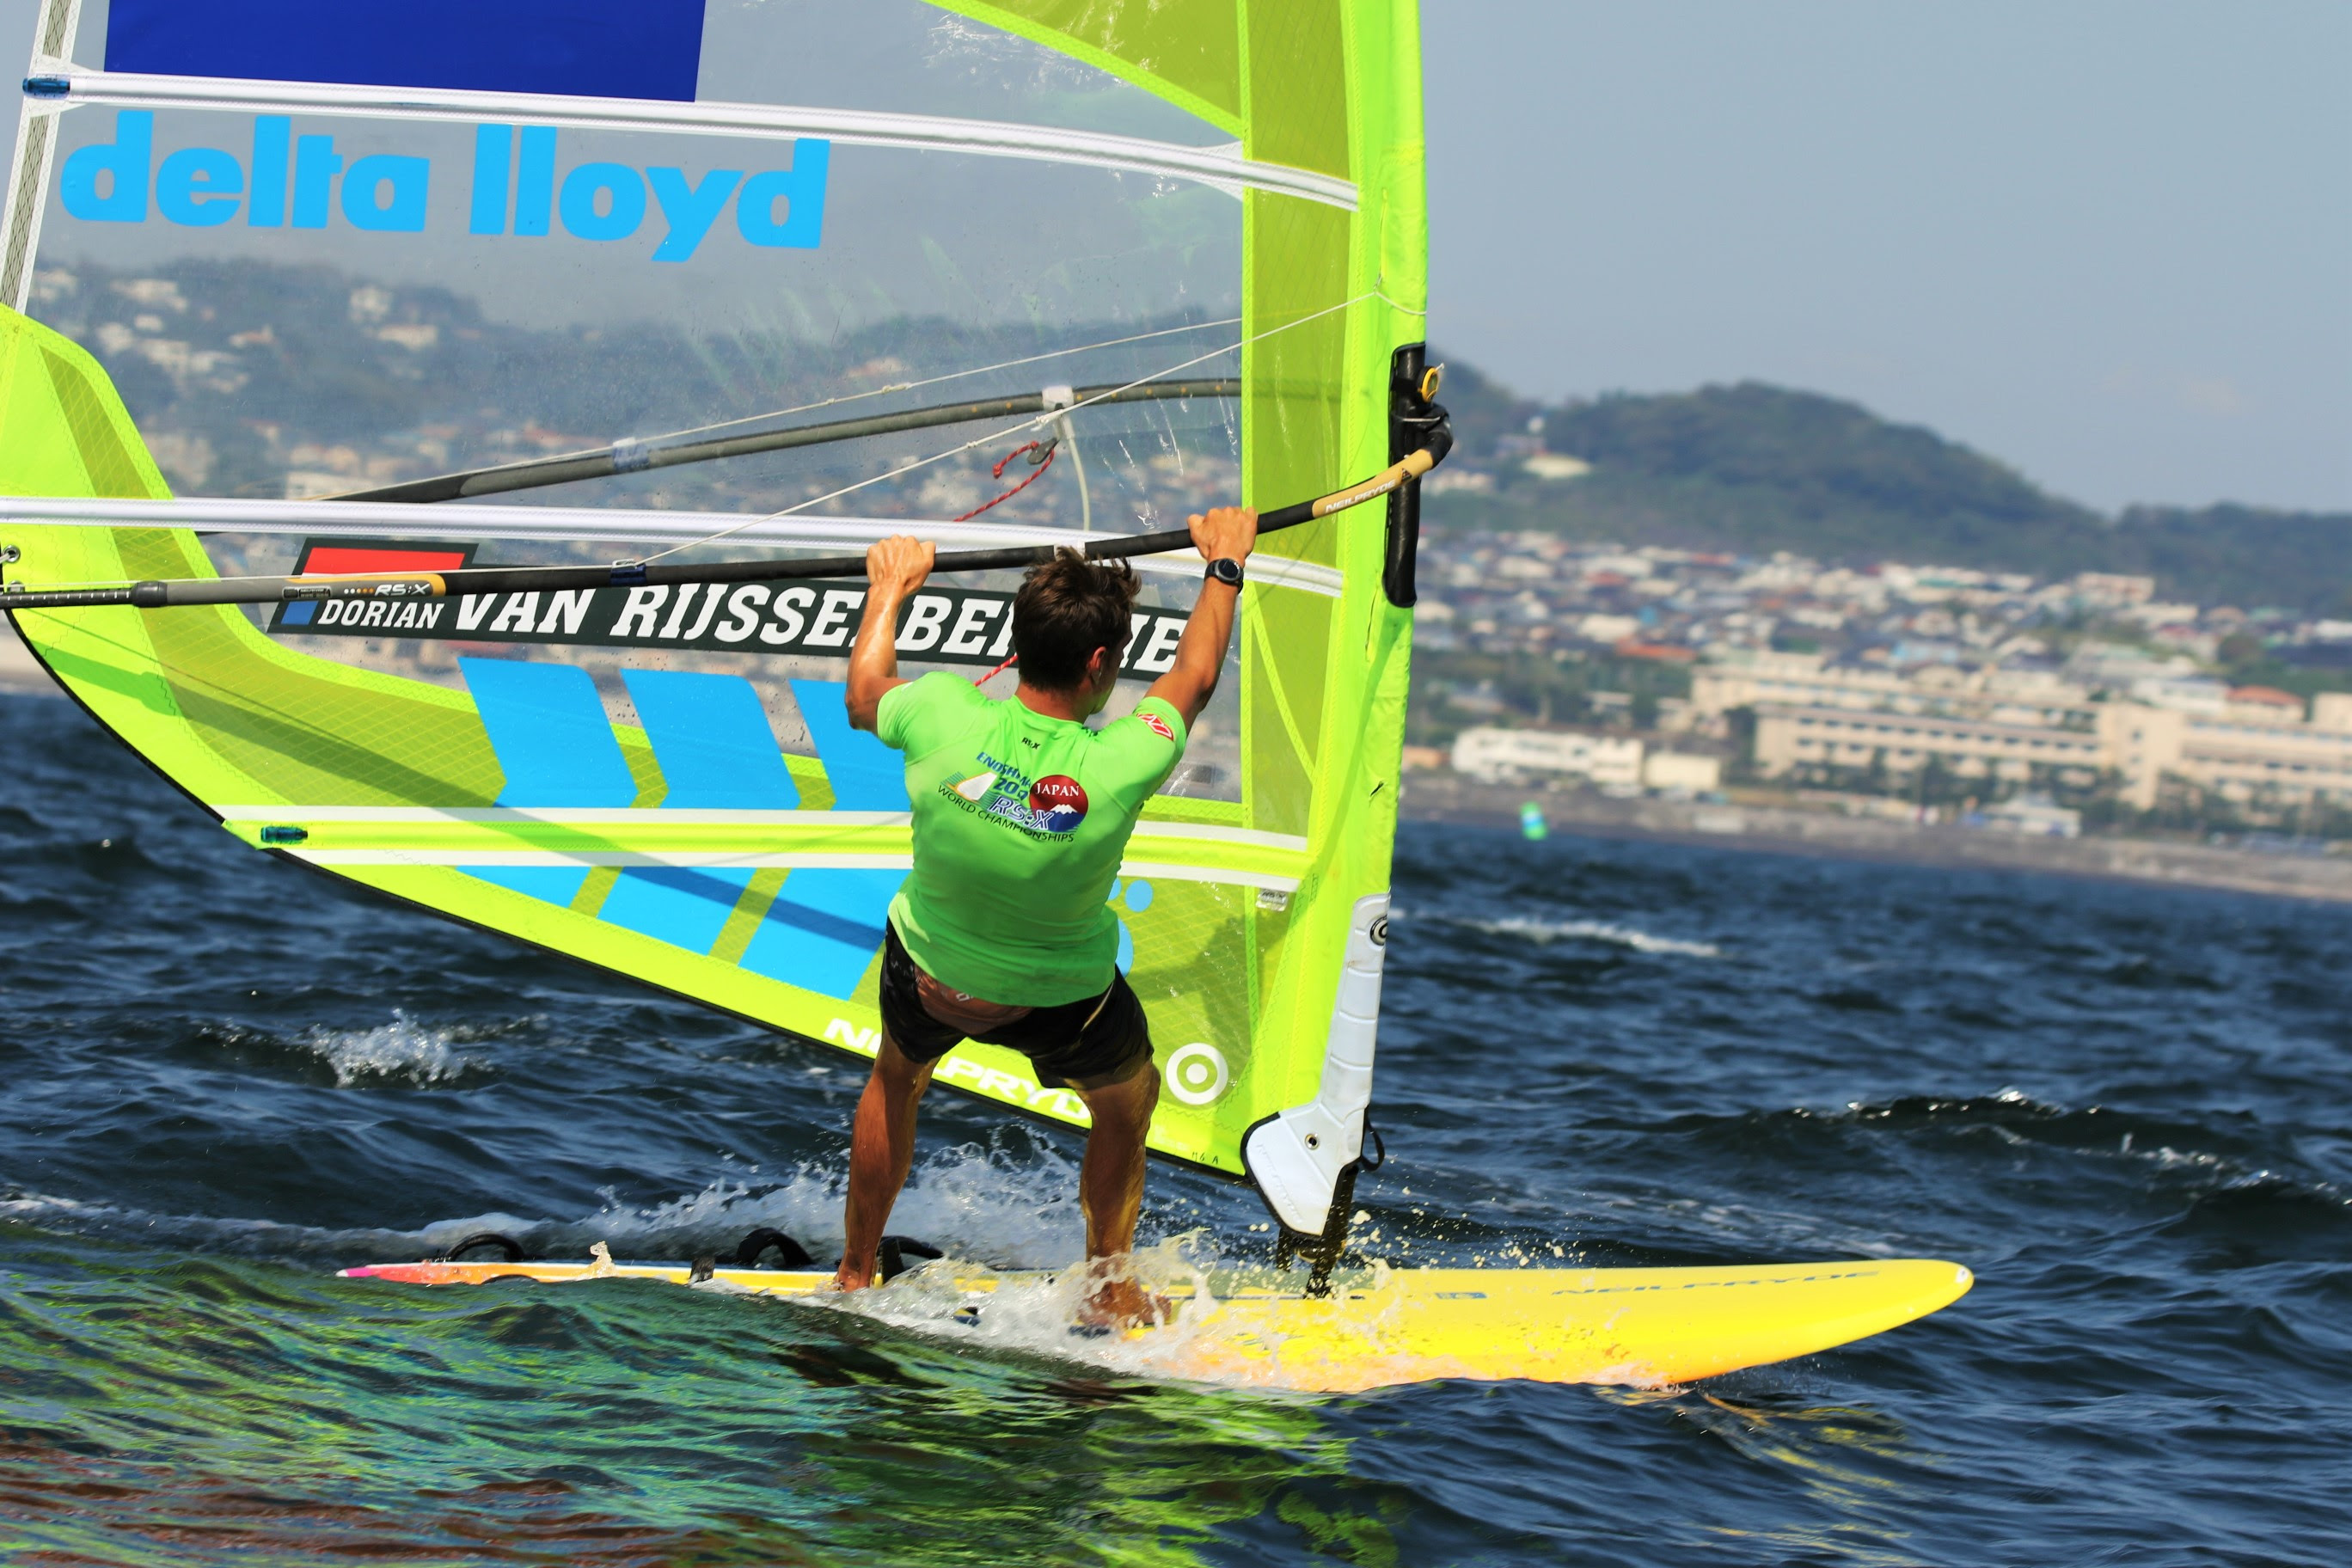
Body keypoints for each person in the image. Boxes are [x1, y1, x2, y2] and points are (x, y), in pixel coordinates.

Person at [831, 505, 1259, 1324]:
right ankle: (1108, 1285)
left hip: (928, 976)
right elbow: (1194, 677)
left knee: (897, 1075)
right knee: (1128, 1098)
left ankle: (855, 1272)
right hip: (1061, 1001)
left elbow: (862, 694)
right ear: (1100, 663)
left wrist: (890, 587)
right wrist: (1224, 565)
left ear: (1017, 646)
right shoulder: (1126, 758)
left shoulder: (941, 711)